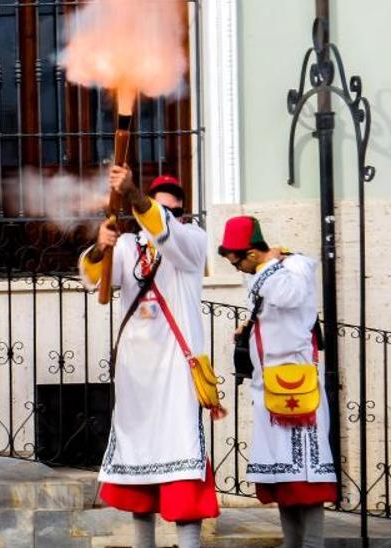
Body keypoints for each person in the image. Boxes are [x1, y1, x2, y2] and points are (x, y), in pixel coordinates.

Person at [78, 170, 219, 548]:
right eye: (160, 205)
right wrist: (100, 247)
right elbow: (96, 281)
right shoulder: (128, 246)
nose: (166, 213)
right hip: (136, 373)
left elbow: (168, 235)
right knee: (139, 475)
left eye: (171, 208)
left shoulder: (192, 240)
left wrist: (137, 198)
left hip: (176, 370)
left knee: (183, 470)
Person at [218, 215, 337, 548]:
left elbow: (287, 297)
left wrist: (267, 265)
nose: (238, 268)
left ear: (253, 253)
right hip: (268, 385)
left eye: (237, 261)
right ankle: (291, 542)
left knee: (305, 474)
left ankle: (312, 543)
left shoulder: (292, 269)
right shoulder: (268, 273)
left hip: (295, 384)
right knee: (282, 473)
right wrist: (251, 328)